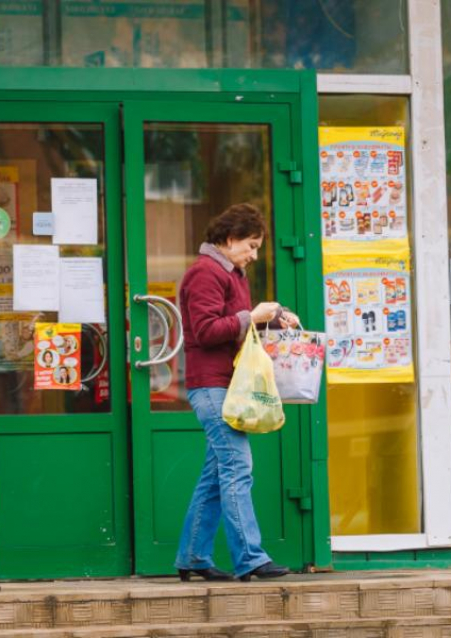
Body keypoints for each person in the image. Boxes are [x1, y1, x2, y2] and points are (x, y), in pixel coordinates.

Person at [175, 203, 299, 583]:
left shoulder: (229, 273)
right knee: (237, 468)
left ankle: (193, 556)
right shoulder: (204, 274)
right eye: (251, 245)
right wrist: (253, 316)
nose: (255, 255)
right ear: (229, 240)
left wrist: (273, 318)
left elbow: (235, 326)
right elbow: (207, 330)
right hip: (211, 385)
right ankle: (251, 558)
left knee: (216, 474)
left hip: (223, 384)